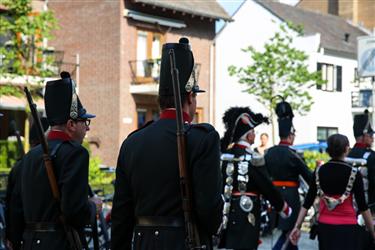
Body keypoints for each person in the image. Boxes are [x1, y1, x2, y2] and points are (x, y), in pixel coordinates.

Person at [111, 38, 223, 250]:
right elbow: (209, 209)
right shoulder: (203, 138)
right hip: (186, 242)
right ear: (190, 97)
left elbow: (121, 216)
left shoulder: (132, 143)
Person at [17, 72, 102, 249]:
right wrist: (93, 207)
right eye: (84, 122)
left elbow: (18, 210)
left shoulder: (29, 157)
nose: (86, 129)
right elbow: (74, 212)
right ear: (71, 125)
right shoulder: (75, 154)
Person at [218, 107, 291, 250]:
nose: (255, 135)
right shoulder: (254, 158)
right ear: (248, 135)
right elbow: (267, 186)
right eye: (253, 132)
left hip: (227, 211)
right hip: (248, 211)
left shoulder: (226, 155)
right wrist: (283, 207)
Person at [289, 134, 375, 250]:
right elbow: (363, 206)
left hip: (325, 226)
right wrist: (372, 231)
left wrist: (297, 226)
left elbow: (307, 202)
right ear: (346, 149)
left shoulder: (319, 171)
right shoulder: (354, 173)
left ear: (328, 150)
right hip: (348, 226)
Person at [265, 100, 312, 250]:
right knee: (290, 234)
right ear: (290, 135)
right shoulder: (294, 154)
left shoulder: (269, 152)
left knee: (288, 234)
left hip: (273, 195)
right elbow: (309, 178)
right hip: (291, 198)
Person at [5, 117, 49, 250]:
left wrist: (13, 238)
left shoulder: (21, 166)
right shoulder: (40, 165)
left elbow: (13, 206)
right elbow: (15, 206)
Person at [347, 110, 375, 212]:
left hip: (348, 206)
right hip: (369, 207)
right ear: (364, 135)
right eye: (371, 135)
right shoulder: (372, 156)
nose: (373, 139)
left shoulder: (347, 154)